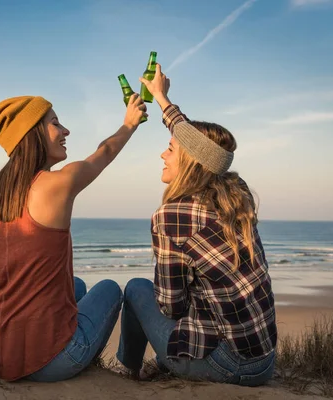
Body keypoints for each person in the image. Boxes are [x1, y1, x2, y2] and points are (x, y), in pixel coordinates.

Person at [116, 64, 278, 386]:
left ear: (191, 161)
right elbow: (212, 155)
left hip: (226, 366)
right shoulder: (237, 192)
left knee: (135, 289)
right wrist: (163, 100)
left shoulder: (171, 216)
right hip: (264, 363)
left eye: (172, 149)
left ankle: (128, 375)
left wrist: (163, 99)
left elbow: (171, 305)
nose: (163, 154)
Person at [0, 94, 148, 382]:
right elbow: (103, 154)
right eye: (55, 123)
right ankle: (131, 370)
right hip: (53, 362)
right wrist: (129, 124)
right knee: (110, 288)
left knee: (75, 285)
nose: (65, 131)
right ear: (33, 135)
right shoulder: (57, 184)